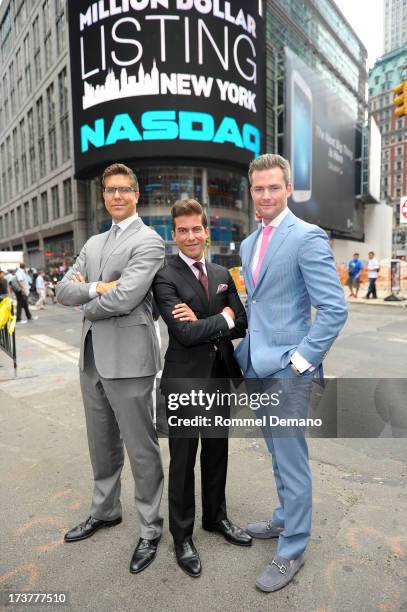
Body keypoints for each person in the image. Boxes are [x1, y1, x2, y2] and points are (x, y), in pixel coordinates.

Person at [234, 153, 347, 592]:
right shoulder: (247, 244)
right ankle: (284, 520)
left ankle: (293, 547)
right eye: (258, 188)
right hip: (257, 365)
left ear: (287, 189)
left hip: (288, 370)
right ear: (252, 191)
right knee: (277, 456)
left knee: (293, 461)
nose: (265, 195)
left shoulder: (307, 237)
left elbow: (333, 309)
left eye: (273, 188)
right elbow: (258, 305)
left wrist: (301, 361)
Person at [56, 163, 165, 575]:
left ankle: (151, 529)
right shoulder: (94, 242)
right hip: (92, 359)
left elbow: (125, 298)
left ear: (136, 194)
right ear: (103, 196)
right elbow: (61, 288)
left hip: (131, 360)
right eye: (109, 190)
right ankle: (105, 512)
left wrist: (86, 300)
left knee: (141, 447)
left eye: (124, 189)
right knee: (100, 444)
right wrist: (92, 288)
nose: (116, 196)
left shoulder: (149, 241)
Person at [153, 199, 251, 578]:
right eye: (183, 230)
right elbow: (184, 332)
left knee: (216, 453)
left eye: (197, 229)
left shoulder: (221, 271)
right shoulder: (165, 277)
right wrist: (223, 317)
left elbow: (242, 323)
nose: (191, 236)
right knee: (182, 463)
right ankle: (182, 536)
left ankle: (216, 519)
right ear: (174, 234)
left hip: (219, 377)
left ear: (206, 232)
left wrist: (219, 319)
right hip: (184, 379)